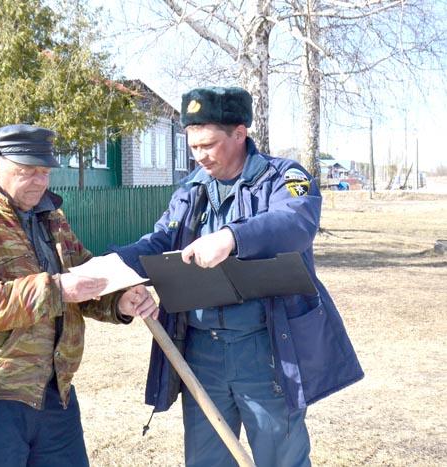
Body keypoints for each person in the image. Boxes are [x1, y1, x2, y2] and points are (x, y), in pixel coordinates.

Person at [112, 87, 364, 467]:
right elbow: (161, 239)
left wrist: (232, 237)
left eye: (209, 144)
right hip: (201, 353)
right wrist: (112, 266)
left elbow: (296, 222)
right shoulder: (191, 190)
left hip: (265, 351)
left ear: (239, 133)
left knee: (282, 459)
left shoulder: (284, 176)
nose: (199, 155)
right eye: (193, 146)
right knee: (207, 459)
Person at [0, 123, 158, 467]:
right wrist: (56, 289)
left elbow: (81, 273)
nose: (40, 181)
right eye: (28, 171)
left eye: (45, 171)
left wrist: (118, 300)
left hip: (54, 390)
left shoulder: (50, 216)